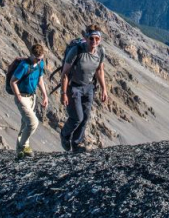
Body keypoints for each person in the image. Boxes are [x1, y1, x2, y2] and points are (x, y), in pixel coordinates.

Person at [60, 24, 108, 153]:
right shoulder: (76, 51)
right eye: (91, 38)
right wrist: (64, 93)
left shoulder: (100, 52)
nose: (94, 42)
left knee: (85, 117)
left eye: (97, 39)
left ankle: (77, 144)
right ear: (86, 38)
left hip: (89, 88)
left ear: (100, 39)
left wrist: (104, 89)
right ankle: (65, 134)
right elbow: (65, 73)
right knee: (77, 118)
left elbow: (100, 70)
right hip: (74, 87)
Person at [10, 43, 49, 159]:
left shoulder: (40, 64)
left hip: (32, 97)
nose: (38, 61)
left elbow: (40, 79)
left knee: (25, 124)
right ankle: (23, 146)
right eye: (37, 58)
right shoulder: (24, 66)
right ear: (31, 55)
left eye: (41, 58)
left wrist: (45, 95)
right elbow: (13, 81)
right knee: (33, 123)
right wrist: (18, 96)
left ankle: (19, 153)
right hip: (22, 97)